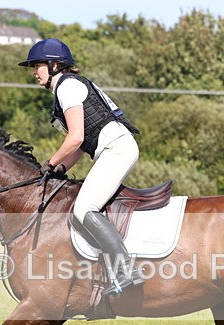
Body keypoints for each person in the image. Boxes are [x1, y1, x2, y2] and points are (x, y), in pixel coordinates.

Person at [19, 38, 143, 296]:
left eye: (37, 66)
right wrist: (59, 169)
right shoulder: (66, 88)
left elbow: (74, 137)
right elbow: (79, 145)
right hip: (112, 149)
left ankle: (126, 269)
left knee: (84, 208)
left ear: (54, 65)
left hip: (117, 149)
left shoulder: (68, 87)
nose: (34, 72)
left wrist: (51, 162)